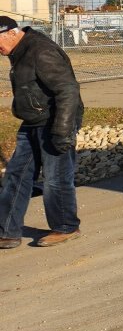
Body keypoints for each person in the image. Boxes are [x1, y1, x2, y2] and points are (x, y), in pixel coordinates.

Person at [0, 16, 82, 248]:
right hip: (32, 122)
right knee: (16, 175)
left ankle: (66, 227)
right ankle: (7, 232)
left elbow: (68, 90)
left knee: (55, 179)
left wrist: (63, 130)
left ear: (12, 33)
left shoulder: (40, 50)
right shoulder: (20, 51)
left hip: (55, 122)